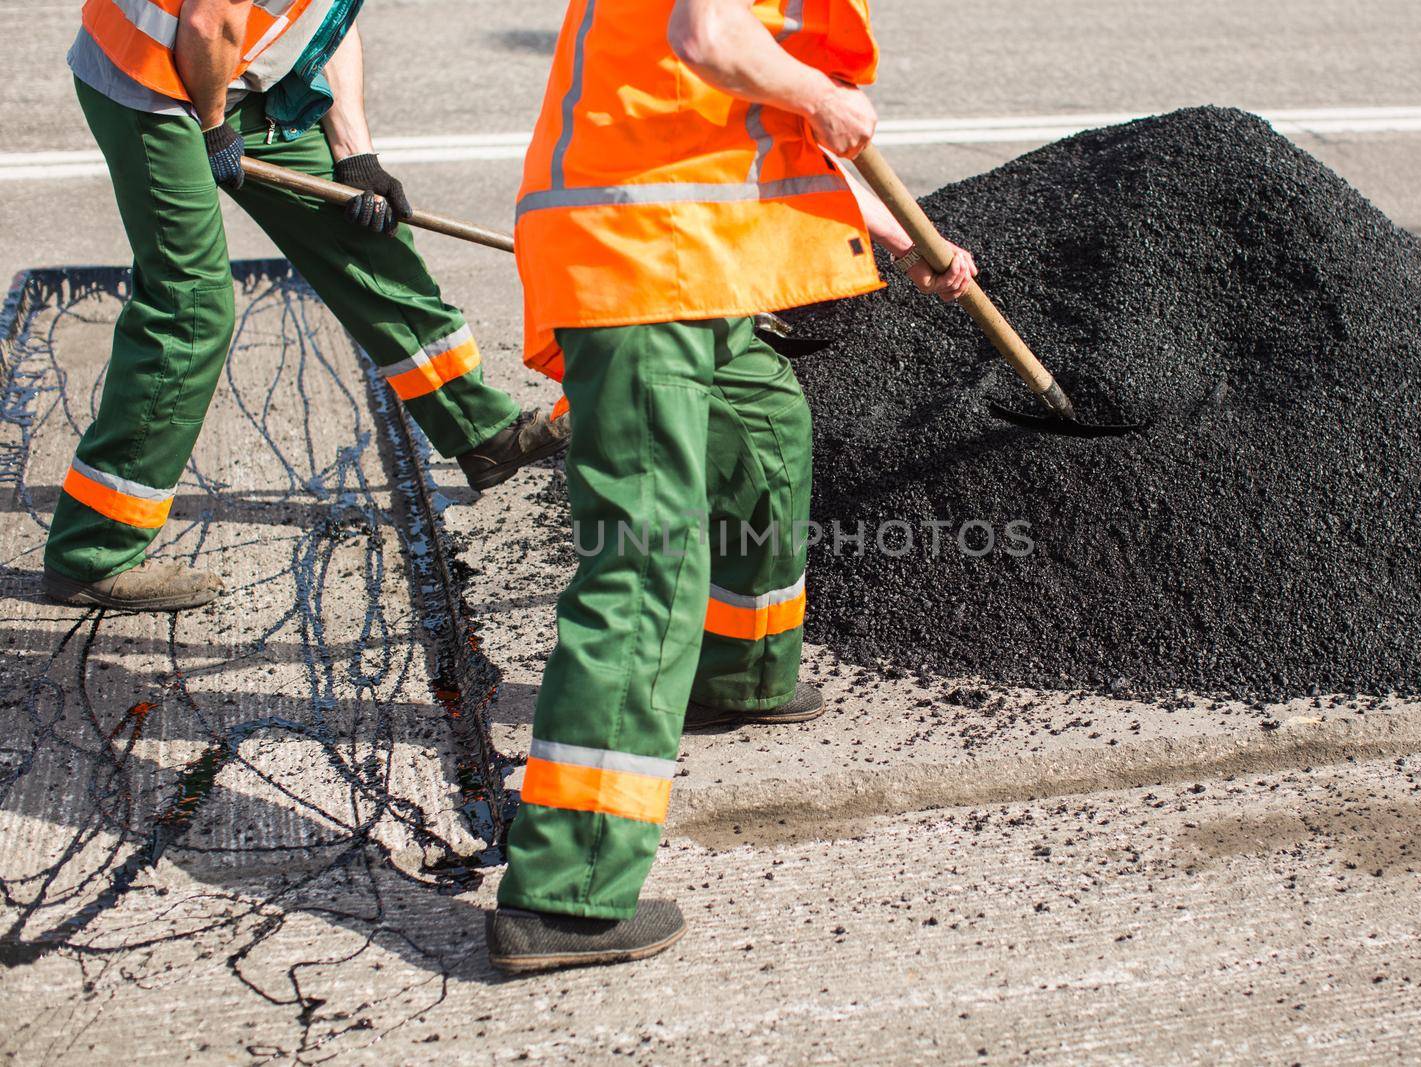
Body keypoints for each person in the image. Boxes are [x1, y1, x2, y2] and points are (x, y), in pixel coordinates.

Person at [486, 0, 976, 972]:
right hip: (639, 268)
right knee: (646, 567)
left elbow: (775, 123)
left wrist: (901, 234)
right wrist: (820, 92)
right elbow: (709, 39)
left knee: (765, 428)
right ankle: (565, 893)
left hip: (696, 267)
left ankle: (740, 674)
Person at [45, 0, 570, 613]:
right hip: (151, 77)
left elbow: (330, 17)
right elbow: (206, 24)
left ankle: (482, 432)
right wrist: (214, 128)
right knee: (190, 305)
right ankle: (94, 550)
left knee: (361, 232)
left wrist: (356, 156)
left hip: (234, 68)